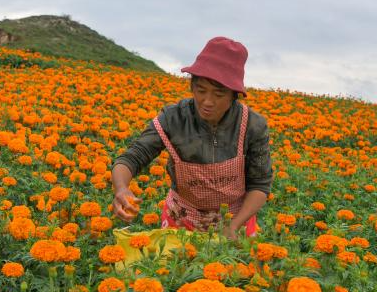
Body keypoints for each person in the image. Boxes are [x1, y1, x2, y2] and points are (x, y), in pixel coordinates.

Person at [111, 36, 272, 239]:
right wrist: (122, 188)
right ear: (191, 86)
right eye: (201, 90)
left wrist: (234, 225)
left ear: (234, 94)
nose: (207, 101)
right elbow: (131, 158)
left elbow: (260, 185)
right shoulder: (174, 118)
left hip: (236, 220)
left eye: (219, 94)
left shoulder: (252, 125)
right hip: (182, 218)